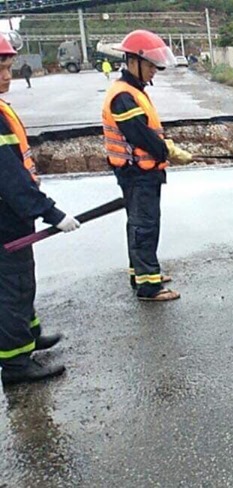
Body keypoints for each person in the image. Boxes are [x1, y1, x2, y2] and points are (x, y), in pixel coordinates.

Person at [0, 34, 79, 386]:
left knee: (21, 282)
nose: (8, 75)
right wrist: (51, 213)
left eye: (7, 66)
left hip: (13, 220)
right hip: (5, 223)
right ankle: (16, 365)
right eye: (1, 68)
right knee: (12, 289)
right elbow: (9, 177)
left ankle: (29, 337)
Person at [102, 30, 192, 302]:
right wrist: (169, 151)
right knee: (145, 224)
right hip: (137, 172)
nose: (154, 71)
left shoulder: (132, 91)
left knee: (140, 223)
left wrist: (166, 148)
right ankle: (149, 286)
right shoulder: (123, 96)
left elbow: (146, 131)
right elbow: (139, 134)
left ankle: (141, 272)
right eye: (151, 65)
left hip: (140, 171)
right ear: (134, 62)